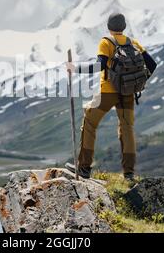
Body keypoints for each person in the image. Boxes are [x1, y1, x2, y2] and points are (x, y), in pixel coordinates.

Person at [65, 13, 157, 183]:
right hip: (128, 93)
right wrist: (138, 83)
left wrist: (74, 68)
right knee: (127, 129)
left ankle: (84, 168)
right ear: (124, 27)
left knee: (90, 123)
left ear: (108, 26)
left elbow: (99, 65)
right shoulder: (133, 43)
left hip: (108, 92)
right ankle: (129, 174)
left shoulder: (106, 42)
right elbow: (152, 64)